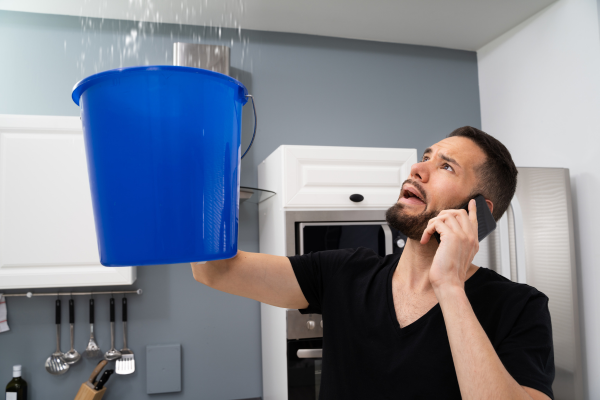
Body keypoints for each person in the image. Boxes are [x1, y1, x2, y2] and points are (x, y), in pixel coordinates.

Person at [191, 126, 555, 400]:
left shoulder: (519, 306)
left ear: (479, 212)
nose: (418, 168)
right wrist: (197, 168)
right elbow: (213, 268)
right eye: (426, 157)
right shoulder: (343, 272)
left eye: (446, 167)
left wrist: (449, 285)